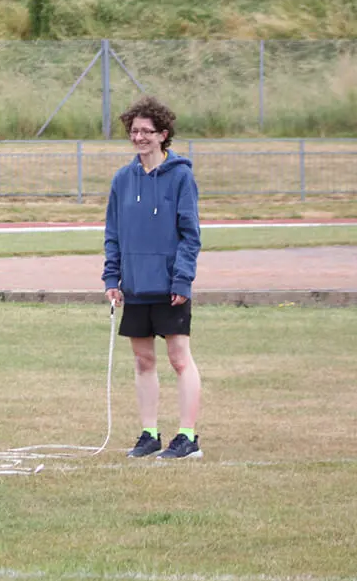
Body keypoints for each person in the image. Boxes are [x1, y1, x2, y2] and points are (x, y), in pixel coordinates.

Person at [103, 96, 203, 460]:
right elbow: (113, 232)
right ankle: (149, 434)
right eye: (134, 131)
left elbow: (190, 235)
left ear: (163, 135)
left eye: (147, 131)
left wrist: (181, 280)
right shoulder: (122, 179)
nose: (140, 137)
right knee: (144, 361)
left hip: (169, 286)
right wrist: (112, 277)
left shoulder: (181, 177)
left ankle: (188, 437)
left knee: (179, 359)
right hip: (135, 285)